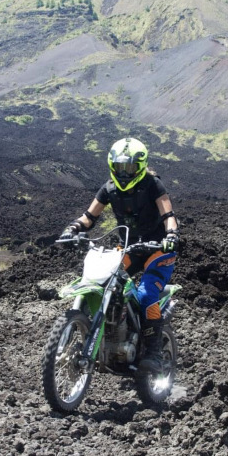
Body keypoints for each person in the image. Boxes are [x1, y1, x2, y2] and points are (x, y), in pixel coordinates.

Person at [59, 137, 180, 373]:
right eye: (120, 167)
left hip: (158, 248)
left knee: (146, 293)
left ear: (141, 165)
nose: (125, 173)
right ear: (112, 166)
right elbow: (89, 217)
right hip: (129, 247)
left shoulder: (153, 184)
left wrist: (172, 235)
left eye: (130, 167)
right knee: (103, 280)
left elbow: (168, 214)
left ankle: (154, 352)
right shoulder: (109, 188)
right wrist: (72, 228)